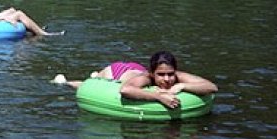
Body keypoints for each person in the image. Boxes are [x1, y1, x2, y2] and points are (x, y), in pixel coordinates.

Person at [53, 51, 218, 109]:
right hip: (117, 72)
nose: (167, 79)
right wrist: (159, 96)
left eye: (170, 74)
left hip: (135, 69)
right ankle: (65, 81)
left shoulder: (176, 76)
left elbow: (211, 87)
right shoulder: (146, 78)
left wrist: (182, 85)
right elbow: (125, 90)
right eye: (161, 75)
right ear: (152, 74)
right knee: (87, 83)